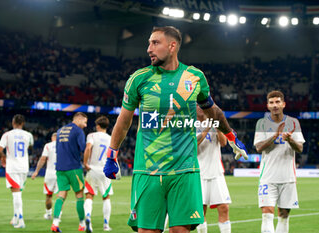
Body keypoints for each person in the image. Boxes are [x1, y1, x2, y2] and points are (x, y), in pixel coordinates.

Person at [103, 26, 248, 233]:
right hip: (148, 169)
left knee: (180, 230)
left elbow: (213, 111)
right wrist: (112, 154)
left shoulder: (194, 77)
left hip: (185, 170)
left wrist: (231, 136)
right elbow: (123, 121)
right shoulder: (138, 79)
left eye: (155, 43)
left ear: (172, 46)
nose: (148, 49)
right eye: (148, 43)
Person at [253, 91, 305, 233]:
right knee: (267, 214)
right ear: (267, 106)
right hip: (267, 177)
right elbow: (259, 147)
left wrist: (290, 139)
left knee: (284, 216)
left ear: (283, 104)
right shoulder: (262, 123)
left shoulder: (293, 122)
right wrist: (275, 135)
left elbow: (300, 148)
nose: (274, 105)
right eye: (271, 102)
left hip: (287, 177)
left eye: (277, 102)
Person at [195, 106, 231, 233]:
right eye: (197, 104)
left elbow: (223, 143)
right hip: (198, 173)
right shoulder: (189, 123)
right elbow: (193, 143)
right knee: (201, 209)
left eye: (202, 104)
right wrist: (208, 127)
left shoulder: (213, 121)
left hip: (216, 172)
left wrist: (218, 128)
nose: (199, 107)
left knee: (224, 207)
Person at [51, 112, 88, 232]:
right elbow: (83, 148)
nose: (85, 125)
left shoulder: (60, 130)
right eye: (85, 122)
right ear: (78, 119)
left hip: (60, 168)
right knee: (79, 195)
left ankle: (55, 223)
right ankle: (82, 224)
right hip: (74, 167)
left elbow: (57, 149)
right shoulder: (78, 131)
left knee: (61, 194)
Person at [0, 114, 34, 228]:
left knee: (16, 195)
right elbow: (30, 147)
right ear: (23, 124)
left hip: (12, 167)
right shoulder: (28, 135)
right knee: (18, 193)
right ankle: (15, 217)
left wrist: (3, 157)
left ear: (13, 123)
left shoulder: (7, 135)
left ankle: (21, 220)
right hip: (24, 167)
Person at [83, 116, 115, 232]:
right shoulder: (111, 138)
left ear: (97, 126)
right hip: (105, 170)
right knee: (106, 197)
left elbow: (88, 148)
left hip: (93, 169)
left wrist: (85, 163)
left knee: (89, 195)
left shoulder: (91, 136)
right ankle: (106, 224)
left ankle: (87, 217)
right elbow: (112, 155)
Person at [31, 132, 58, 220]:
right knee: (60, 196)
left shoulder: (48, 145)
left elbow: (43, 159)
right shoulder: (64, 146)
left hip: (50, 174)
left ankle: (48, 214)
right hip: (61, 174)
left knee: (49, 196)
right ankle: (58, 215)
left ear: (52, 138)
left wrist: (36, 171)